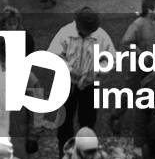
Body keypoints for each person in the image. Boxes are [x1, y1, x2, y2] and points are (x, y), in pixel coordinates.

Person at [49, 8, 116, 150]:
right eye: (87, 30)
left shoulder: (101, 36)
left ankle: (85, 152)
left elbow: (111, 59)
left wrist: (96, 72)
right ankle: (65, 152)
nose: (90, 33)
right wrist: (72, 70)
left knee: (88, 121)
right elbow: (53, 56)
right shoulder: (65, 33)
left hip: (90, 86)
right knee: (64, 122)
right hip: (66, 84)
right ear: (78, 26)